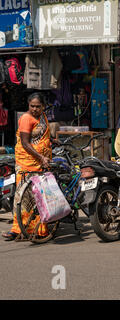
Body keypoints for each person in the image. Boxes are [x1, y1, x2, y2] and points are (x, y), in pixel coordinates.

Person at [2, 93, 52, 240]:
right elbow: (25, 143)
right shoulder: (26, 118)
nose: (35, 109)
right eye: (32, 106)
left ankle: (39, 229)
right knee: (22, 198)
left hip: (41, 162)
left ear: (43, 106)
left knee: (39, 197)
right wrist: (41, 157)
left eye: (38, 106)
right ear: (28, 105)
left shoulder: (42, 117)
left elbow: (42, 135)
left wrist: (53, 141)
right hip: (27, 162)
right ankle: (17, 229)